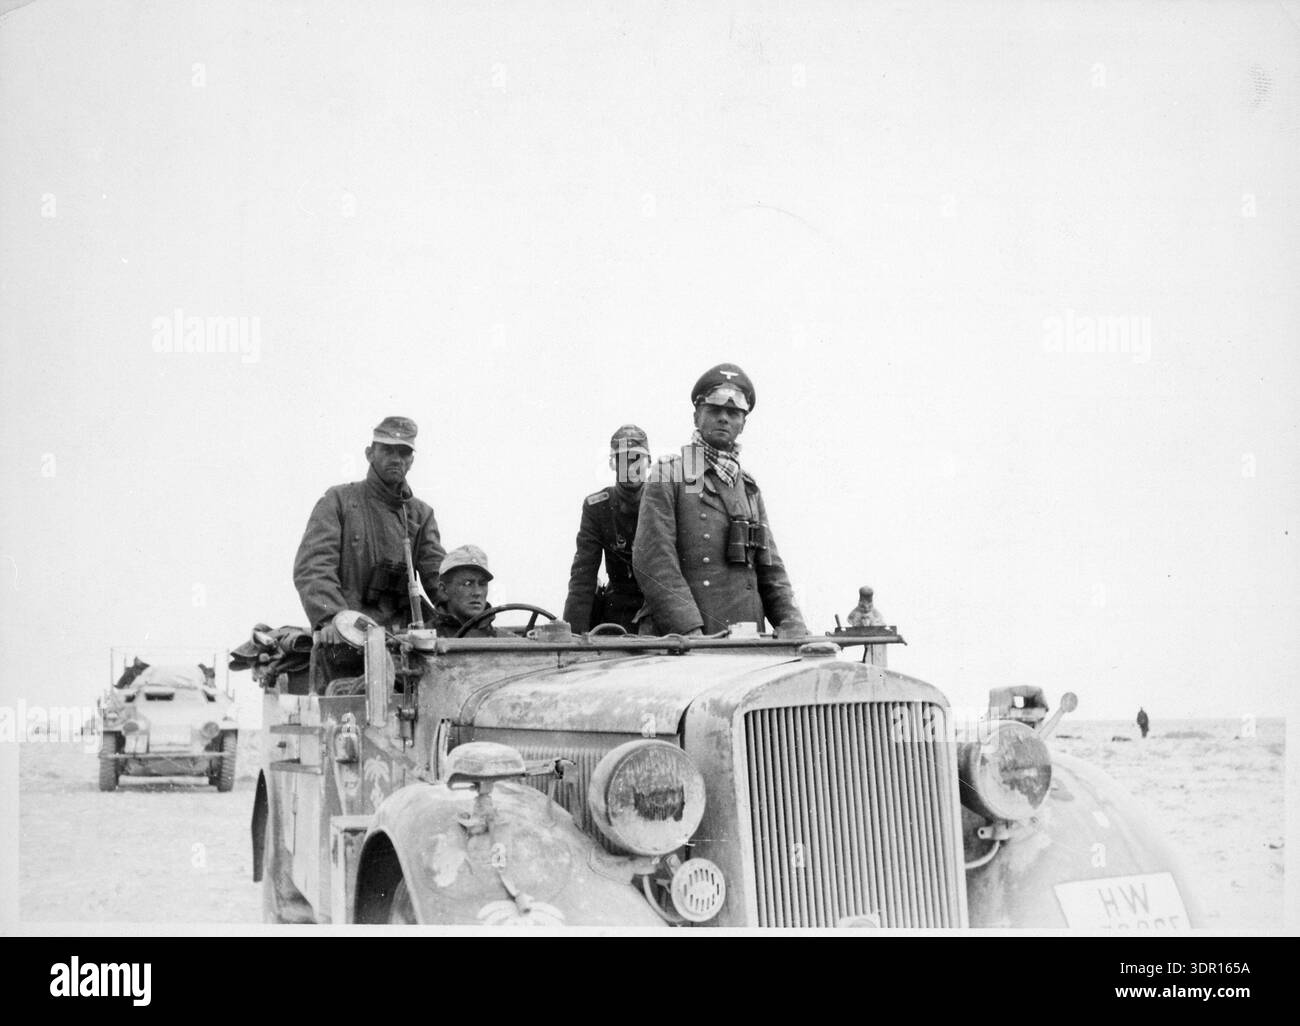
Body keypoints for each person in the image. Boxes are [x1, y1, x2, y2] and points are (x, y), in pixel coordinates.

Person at [633, 363, 805, 637]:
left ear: (743, 423)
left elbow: (771, 568)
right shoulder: (669, 474)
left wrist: (794, 625)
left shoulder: (749, 487)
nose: (724, 418)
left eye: (733, 412)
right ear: (696, 416)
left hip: (746, 637)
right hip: (683, 640)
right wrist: (689, 630)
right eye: (714, 410)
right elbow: (654, 562)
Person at [293, 416, 445, 672]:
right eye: (387, 450)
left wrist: (467, 613)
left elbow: (438, 578)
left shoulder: (420, 514)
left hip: (406, 645)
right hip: (349, 640)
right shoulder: (339, 501)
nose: (396, 458)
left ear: (411, 460)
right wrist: (331, 618)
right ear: (369, 454)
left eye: (404, 452)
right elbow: (314, 567)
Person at [562, 424, 652, 633]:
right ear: (612, 464)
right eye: (622, 460)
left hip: (660, 609)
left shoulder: (664, 502)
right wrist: (574, 636)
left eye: (637, 459)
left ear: (648, 463)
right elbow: (583, 575)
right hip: (618, 612)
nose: (630, 467)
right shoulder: (598, 507)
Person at [432, 545, 502, 637]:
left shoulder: (508, 642)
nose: (477, 592)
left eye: (482, 584)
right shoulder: (421, 641)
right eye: (467, 584)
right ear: (444, 590)